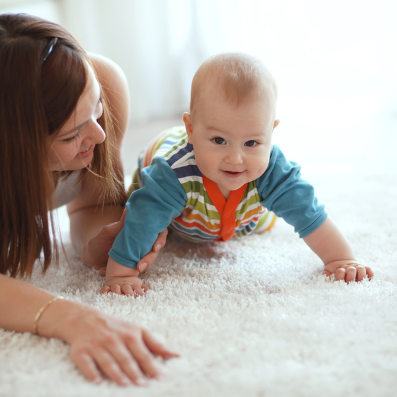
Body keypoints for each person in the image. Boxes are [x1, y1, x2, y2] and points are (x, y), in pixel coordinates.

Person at [101, 52, 374, 295]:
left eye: (252, 143)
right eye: (219, 140)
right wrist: (121, 272)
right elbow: (142, 219)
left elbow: (309, 212)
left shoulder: (272, 170)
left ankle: (241, 202)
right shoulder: (171, 174)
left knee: (260, 219)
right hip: (167, 196)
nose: (235, 158)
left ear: (270, 133)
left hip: (234, 215)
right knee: (142, 210)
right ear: (192, 130)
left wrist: (341, 259)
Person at [0, 13, 177, 387]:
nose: (98, 135)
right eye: (71, 136)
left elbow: (92, 202)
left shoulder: (104, 82)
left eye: (94, 106)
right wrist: (67, 316)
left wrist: (96, 243)